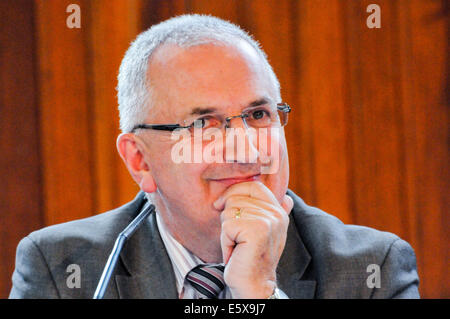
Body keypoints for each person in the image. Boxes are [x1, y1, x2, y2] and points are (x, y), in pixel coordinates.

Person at [9, 14, 419, 299]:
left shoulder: (372, 270)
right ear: (140, 161)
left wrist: (260, 292)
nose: (245, 148)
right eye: (205, 124)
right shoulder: (63, 268)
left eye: (259, 114)